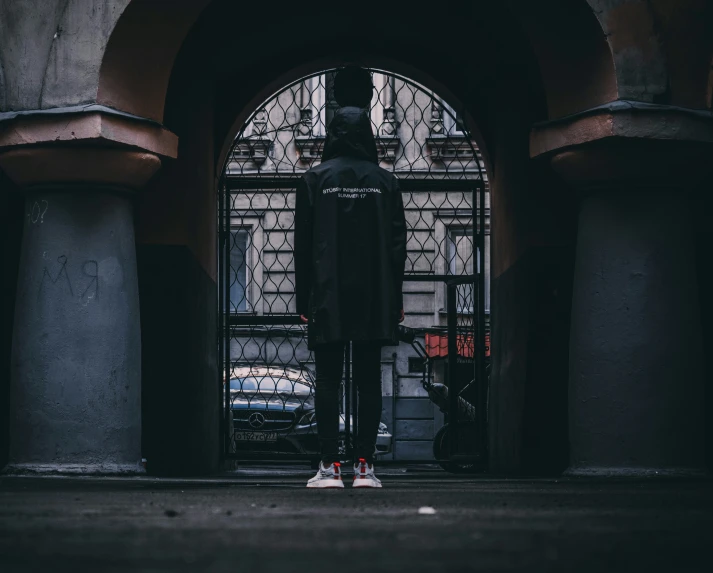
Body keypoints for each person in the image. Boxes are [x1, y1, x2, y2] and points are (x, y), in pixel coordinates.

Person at [295, 66, 407, 489]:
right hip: (374, 296)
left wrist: (302, 299)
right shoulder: (387, 183)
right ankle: (365, 468)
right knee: (368, 380)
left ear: (331, 135)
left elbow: (302, 247)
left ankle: (327, 467)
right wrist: (394, 299)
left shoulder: (313, 180)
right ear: (369, 136)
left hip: (326, 295)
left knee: (326, 379)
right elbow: (398, 248)